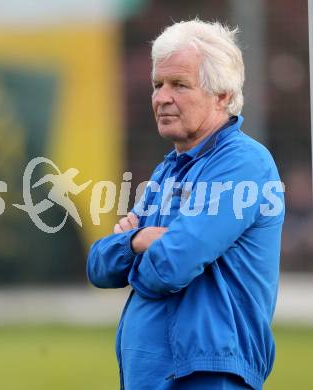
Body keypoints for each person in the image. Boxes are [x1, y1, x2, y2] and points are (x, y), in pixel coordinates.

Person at [87, 19, 284, 390]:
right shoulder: (168, 170)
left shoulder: (244, 164)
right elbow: (99, 266)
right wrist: (136, 242)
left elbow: (170, 267)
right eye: (157, 84)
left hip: (206, 374)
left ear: (222, 96)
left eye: (179, 85)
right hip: (152, 376)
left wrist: (139, 248)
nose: (162, 97)